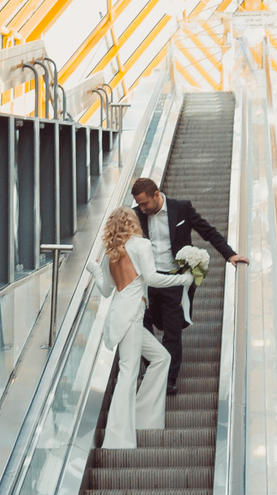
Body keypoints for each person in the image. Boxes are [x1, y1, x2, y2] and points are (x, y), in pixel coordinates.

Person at [131, 176, 247, 391]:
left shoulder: (181, 209)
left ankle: (168, 381)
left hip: (175, 280)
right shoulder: (137, 215)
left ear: (157, 194)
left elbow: (208, 231)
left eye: (145, 203)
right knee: (145, 325)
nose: (142, 208)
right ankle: (154, 368)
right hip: (148, 281)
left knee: (172, 331)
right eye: (139, 204)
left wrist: (230, 255)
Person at [99, 207, 180, 449]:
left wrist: (94, 271)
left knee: (161, 358)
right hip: (133, 313)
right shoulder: (140, 245)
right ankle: (117, 439)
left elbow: (105, 291)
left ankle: (143, 419)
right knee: (128, 372)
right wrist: (182, 279)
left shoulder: (109, 253)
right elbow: (153, 279)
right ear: (132, 222)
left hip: (121, 313)